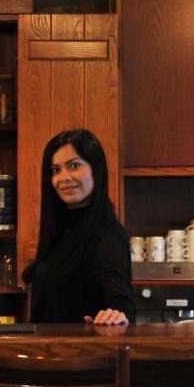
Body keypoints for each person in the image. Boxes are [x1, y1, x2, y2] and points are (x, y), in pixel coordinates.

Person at [23, 128, 134, 325]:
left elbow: (122, 303)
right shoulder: (60, 231)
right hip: (45, 344)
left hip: (78, 346)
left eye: (74, 165)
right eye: (55, 170)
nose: (63, 177)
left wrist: (118, 316)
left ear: (96, 169)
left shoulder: (107, 236)